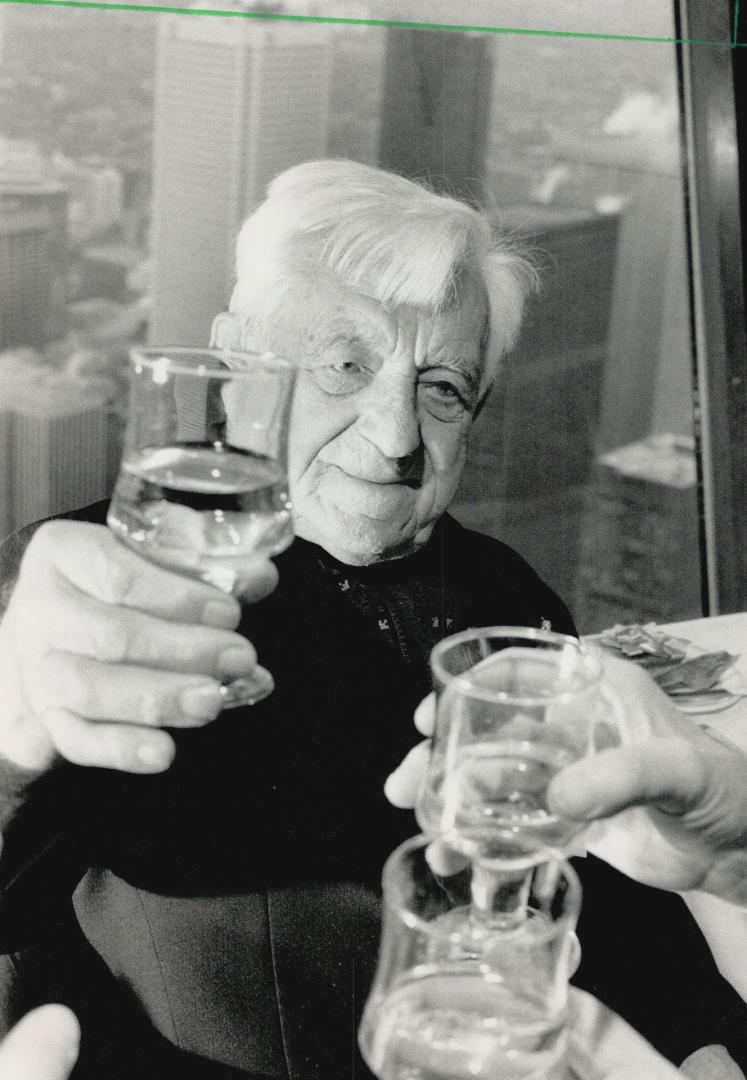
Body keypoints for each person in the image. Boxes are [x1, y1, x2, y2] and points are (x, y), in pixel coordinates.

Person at [0, 160, 745, 1079]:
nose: (395, 437)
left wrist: (706, 1051)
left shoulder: (503, 598)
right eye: (345, 363)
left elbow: (609, 886)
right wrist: (12, 740)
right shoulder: (94, 585)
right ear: (236, 364)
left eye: (440, 388)